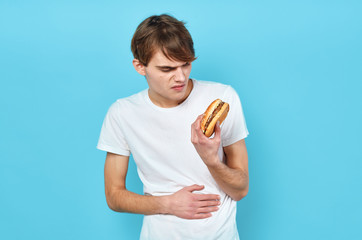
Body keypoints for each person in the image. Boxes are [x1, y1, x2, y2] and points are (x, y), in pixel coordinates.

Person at [97, 14, 249, 240]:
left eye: (185, 64)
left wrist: (210, 159)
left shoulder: (222, 97)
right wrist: (168, 204)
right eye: (167, 69)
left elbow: (240, 190)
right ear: (140, 67)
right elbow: (114, 196)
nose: (180, 77)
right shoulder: (122, 113)